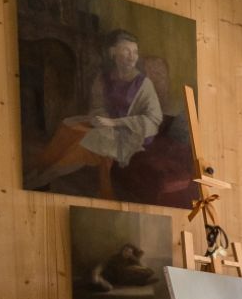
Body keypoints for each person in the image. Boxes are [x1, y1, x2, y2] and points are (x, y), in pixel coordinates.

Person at [25, 29, 163, 199]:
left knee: (85, 142)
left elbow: (154, 119)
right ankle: (41, 167)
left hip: (131, 132)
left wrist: (115, 123)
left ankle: (44, 177)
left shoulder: (143, 84)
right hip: (106, 123)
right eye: (126, 50)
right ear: (113, 52)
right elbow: (97, 105)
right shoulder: (103, 77)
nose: (132, 56)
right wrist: (100, 118)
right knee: (68, 126)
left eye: (135, 52)